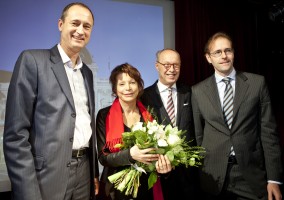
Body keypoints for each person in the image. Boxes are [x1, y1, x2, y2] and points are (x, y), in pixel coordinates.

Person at [3, 3, 99, 200]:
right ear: (60, 24)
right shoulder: (33, 60)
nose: (80, 30)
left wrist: (94, 174)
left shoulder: (87, 73)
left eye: (87, 26)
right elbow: (15, 135)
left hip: (84, 173)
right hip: (45, 177)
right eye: (75, 23)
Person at [191, 31, 283, 200]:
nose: (224, 56)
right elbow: (199, 136)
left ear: (233, 53)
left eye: (228, 50)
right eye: (217, 52)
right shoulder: (197, 91)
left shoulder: (256, 83)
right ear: (208, 58)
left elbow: (269, 133)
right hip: (213, 177)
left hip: (251, 176)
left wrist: (274, 178)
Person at [96, 63, 172, 200]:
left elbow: (160, 150)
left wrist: (163, 166)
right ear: (115, 88)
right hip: (115, 188)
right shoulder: (104, 115)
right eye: (122, 84)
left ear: (139, 86)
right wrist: (130, 154)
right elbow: (103, 157)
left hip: (146, 187)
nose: (128, 88)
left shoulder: (151, 114)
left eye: (132, 82)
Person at [140, 48, 199, 199]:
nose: (172, 70)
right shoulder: (143, 97)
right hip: (158, 178)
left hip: (189, 180)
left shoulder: (191, 93)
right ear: (156, 66)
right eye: (166, 65)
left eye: (176, 65)